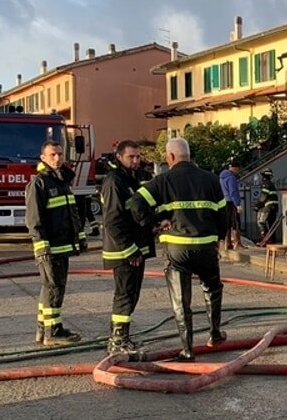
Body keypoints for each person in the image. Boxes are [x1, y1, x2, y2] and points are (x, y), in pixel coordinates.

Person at [131, 137, 231, 361]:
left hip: (177, 249)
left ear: (171, 157)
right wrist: (220, 239)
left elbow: (136, 203)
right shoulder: (211, 179)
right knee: (212, 288)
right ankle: (215, 334)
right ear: (189, 155)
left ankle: (187, 350)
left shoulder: (162, 181)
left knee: (180, 300)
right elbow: (223, 214)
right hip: (206, 246)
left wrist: (155, 222)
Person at [25, 140, 88, 346]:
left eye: (60, 154)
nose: (58, 158)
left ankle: (43, 330)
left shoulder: (61, 182)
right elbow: (34, 219)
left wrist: (79, 235)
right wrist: (41, 245)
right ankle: (53, 332)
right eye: (53, 154)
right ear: (43, 158)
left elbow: (71, 213)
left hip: (63, 246)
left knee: (50, 287)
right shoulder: (39, 183)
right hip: (50, 248)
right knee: (54, 288)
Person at [100, 140, 155, 355]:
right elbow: (113, 220)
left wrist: (155, 223)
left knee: (131, 294)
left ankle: (122, 338)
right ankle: (117, 341)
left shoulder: (130, 180)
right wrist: (130, 249)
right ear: (119, 157)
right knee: (124, 295)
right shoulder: (114, 182)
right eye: (131, 157)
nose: (136, 160)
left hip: (134, 249)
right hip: (124, 251)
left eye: (138, 156)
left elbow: (136, 212)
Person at [219, 159, 243, 250]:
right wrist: (237, 204)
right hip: (232, 202)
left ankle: (227, 243)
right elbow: (233, 192)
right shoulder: (231, 178)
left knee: (227, 223)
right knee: (235, 223)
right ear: (235, 168)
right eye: (237, 169)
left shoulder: (222, 177)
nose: (238, 171)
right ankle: (237, 243)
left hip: (224, 201)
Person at [257, 168, 280, 245]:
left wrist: (258, 205)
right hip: (274, 207)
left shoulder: (265, 184)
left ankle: (265, 239)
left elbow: (264, 196)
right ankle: (272, 240)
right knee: (271, 224)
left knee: (261, 222)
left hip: (268, 207)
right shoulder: (271, 184)